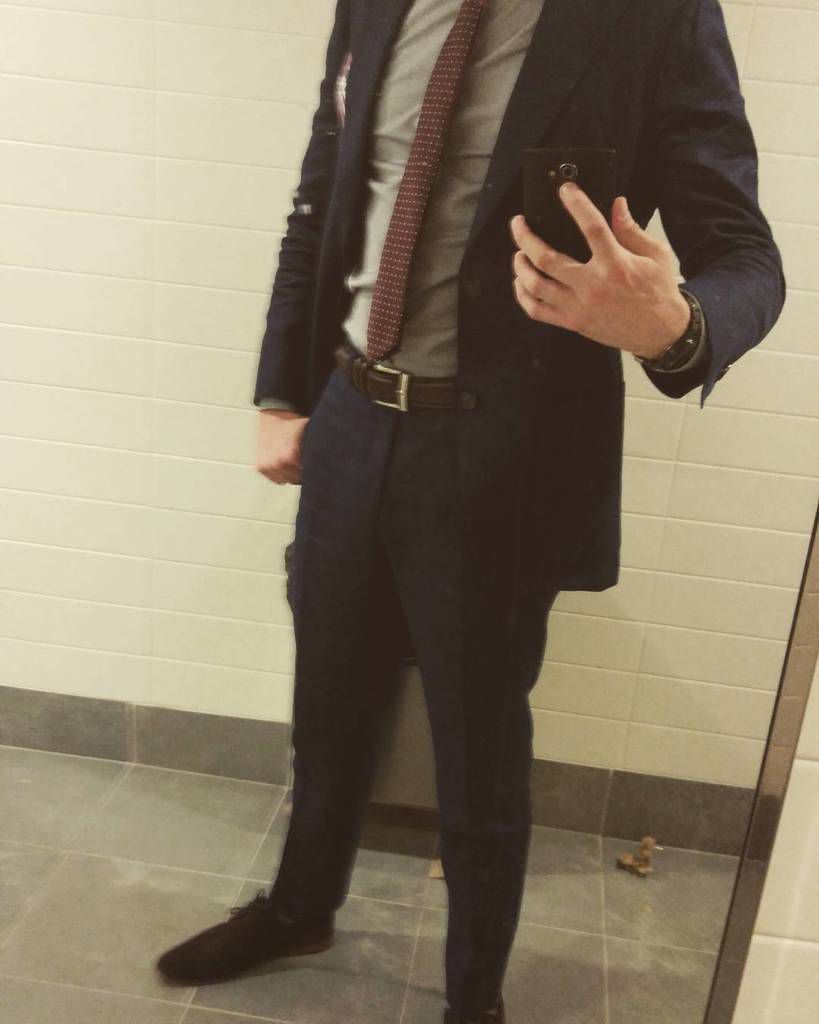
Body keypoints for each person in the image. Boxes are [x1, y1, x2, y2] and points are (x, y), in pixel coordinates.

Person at [155, 1, 785, 1021]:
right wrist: (282, 391)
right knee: (328, 702)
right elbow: (323, 196)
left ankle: (472, 997)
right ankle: (300, 908)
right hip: (352, 416)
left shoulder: (652, 17)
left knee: (477, 748)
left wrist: (674, 327)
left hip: (503, 455)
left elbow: (748, 258)